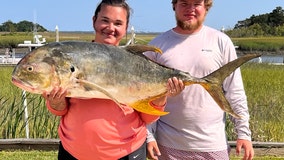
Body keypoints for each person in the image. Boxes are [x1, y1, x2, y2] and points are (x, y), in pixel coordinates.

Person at [42, 0, 173, 159]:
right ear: (94, 21)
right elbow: (60, 110)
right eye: (105, 20)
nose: (110, 28)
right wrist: (56, 101)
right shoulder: (74, 59)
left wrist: (162, 94)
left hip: (127, 153)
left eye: (118, 23)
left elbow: (148, 117)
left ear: (125, 28)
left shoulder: (136, 63)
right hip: (73, 152)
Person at [145, 0, 254, 160]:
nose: (191, 9)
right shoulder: (156, 46)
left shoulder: (221, 41)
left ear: (206, 7)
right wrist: (149, 136)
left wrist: (244, 133)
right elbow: (146, 97)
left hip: (213, 145)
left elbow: (235, 92)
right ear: (174, 5)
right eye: (184, 3)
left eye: (197, 3)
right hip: (167, 145)